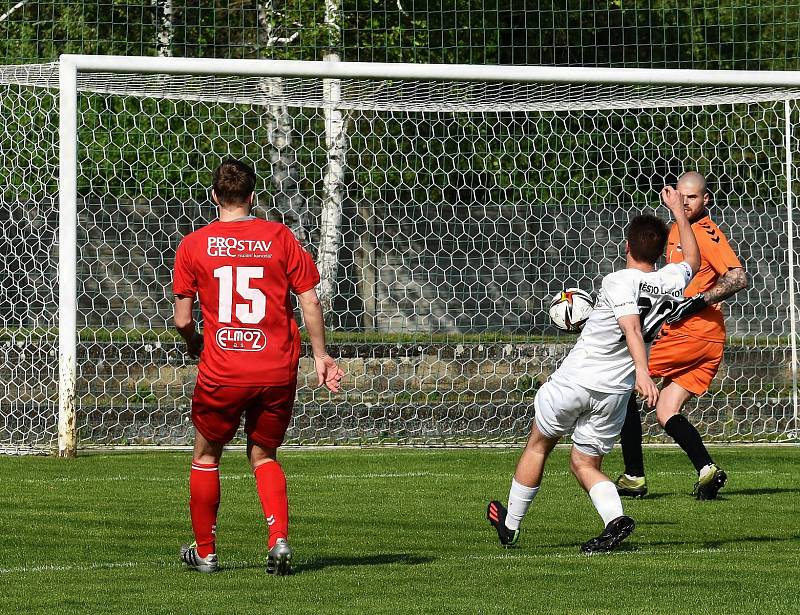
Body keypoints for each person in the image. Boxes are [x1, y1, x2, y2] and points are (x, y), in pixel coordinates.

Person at [487, 186, 700, 553]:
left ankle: (511, 525)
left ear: (627, 247)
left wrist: (644, 372)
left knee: (539, 445)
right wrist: (680, 212)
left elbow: (631, 327)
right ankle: (615, 521)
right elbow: (693, 261)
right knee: (585, 462)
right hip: (613, 396)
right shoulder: (671, 281)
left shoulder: (618, 280)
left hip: (577, 380)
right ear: (664, 251)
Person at [172, 158, 344, 574]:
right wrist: (321, 355)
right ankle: (279, 539)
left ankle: (207, 553)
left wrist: (196, 342)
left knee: (207, 454)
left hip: (223, 371)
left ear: (215, 197)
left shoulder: (194, 244)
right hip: (275, 370)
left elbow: (181, 319)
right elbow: (311, 300)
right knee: (263, 454)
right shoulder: (279, 236)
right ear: (252, 197)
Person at [615, 172, 748, 501]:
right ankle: (706, 469)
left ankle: (633, 476)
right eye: (681, 195)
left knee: (625, 381)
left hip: (692, 332)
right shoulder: (676, 231)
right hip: (709, 340)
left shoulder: (706, 234)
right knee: (665, 409)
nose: (685, 201)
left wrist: (696, 303)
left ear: (706, 201)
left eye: (693, 197)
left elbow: (738, 277)